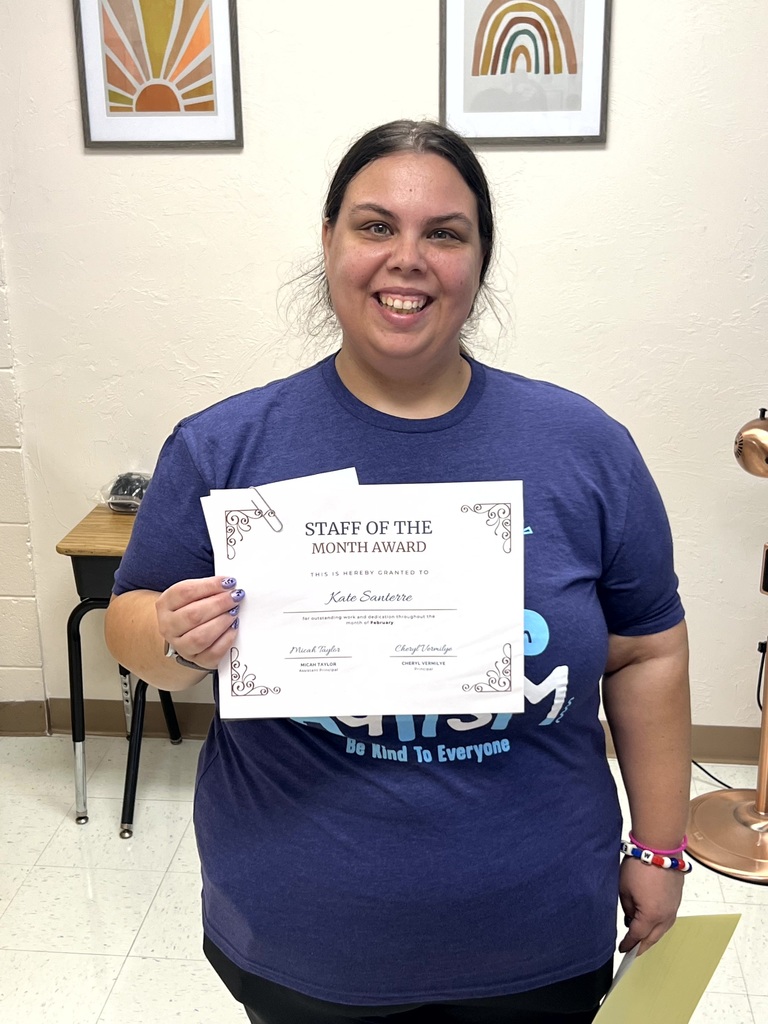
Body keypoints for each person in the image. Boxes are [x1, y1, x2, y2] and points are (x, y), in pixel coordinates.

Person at [104, 119, 691, 1024]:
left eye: (443, 234)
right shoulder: (226, 446)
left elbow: (649, 650)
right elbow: (130, 621)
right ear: (329, 243)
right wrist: (174, 638)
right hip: (301, 939)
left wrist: (658, 849)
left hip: (537, 940)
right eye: (375, 226)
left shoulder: (585, 449)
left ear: (479, 262)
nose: (406, 258)